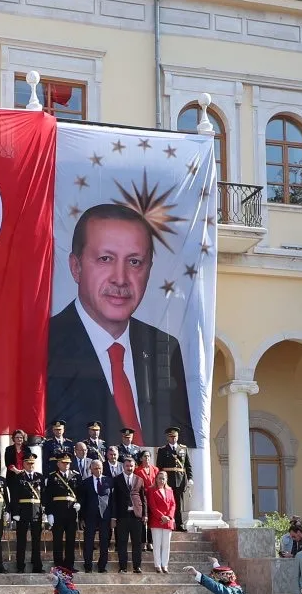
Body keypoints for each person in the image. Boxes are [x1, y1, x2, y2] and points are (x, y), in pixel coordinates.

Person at [46, 202, 195, 445]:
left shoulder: (165, 349)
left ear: (148, 270)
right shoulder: (43, 346)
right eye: (105, 259)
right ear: (76, 267)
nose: (121, 278)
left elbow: (180, 442)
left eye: (134, 262)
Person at [44, 454, 82, 572]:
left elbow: (80, 493)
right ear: (58, 463)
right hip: (58, 512)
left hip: (71, 512)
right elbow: (48, 496)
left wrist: (79, 503)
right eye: (64, 463)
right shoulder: (52, 477)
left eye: (68, 463)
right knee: (57, 540)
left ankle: (69, 565)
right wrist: (49, 513)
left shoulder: (76, 476)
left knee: (71, 539)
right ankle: (59, 565)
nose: (66, 465)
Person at [6, 459, 44, 574]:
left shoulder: (40, 477)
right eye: (28, 463)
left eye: (32, 464)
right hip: (22, 511)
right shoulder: (19, 477)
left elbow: (44, 494)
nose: (31, 466)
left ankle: (37, 565)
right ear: (24, 464)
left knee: (36, 540)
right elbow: (14, 495)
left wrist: (45, 509)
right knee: (21, 540)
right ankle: (20, 566)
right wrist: (15, 512)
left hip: (36, 511)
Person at [141, 456, 178, 574]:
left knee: (166, 545)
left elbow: (173, 504)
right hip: (157, 521)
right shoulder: (151, 490)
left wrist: (169, 517)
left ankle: (165, 565)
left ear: (166, 480)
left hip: (168, 521)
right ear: (156, 479)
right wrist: (161, 517)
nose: (161, 480)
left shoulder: (170, 490)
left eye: (163, 479)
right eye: (159, 478)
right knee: (156, 544)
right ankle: (157, 565)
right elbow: (152, 506)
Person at [110, 455, 147, 573]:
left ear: (134, 466)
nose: (129, 468)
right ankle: (123, 567)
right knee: (122, 543)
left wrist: (145, 514)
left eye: (131, 466)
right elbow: (114, 499)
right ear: (123, 466)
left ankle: (137, 566)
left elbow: (143, 498)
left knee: (137, 542)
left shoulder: (139, 479)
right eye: (127, 466)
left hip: (136, 515)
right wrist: (114, 517)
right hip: (122, 516)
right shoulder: (117, 479)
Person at [78, 459, 113, 574]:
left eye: (100, 468)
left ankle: (102, 566)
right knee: (88, 542)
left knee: (104, 542)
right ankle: (88, 565)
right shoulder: (85, 482)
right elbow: (82, 500)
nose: (98, 470)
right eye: (95, 468)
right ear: (91, 469)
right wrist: (81, 518)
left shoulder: (109, 481)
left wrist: (113, 517)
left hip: (105, 516)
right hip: (90, 516)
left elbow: (112, 500)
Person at [156, 427, 192, 521]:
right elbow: (159, 467)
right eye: (171, 437)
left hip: (180, 480)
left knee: (179, 503)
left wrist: (190, 478)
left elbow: (188, 465)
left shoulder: (183, 449)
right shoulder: (162, 450)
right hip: (168, 480)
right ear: (167, 438)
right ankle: (170, 522)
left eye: (175, 436)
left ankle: (179, 524)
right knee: (168, 502)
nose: (173, 438)